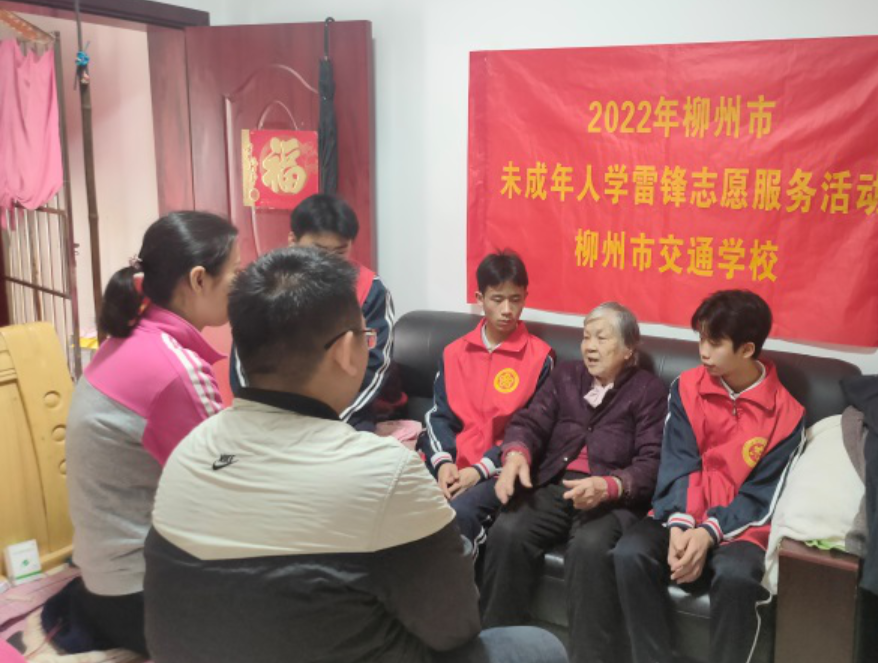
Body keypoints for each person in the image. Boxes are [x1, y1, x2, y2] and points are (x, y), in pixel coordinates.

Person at [144, 247, 566, 663]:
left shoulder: (190, 452)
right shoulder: (385, 471)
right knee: (540, 647)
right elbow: (455, 626)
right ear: (347, 351)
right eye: (368, 338)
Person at [63, 211, 239, 655]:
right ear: (199, 279)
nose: (241, 284)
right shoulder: (175, 370)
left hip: (103, 583)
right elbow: (229, 489)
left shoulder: (127, 338)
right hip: (141, 599)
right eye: (235, 272)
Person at [613, 290, 806, 663]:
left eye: (715, 344)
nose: (703, 351)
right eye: (701, 338)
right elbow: (678, 463)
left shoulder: (787, 414)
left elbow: (763, 496)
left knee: (737, 577)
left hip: (742, 527)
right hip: (683, 510)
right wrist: (682, 524)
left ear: (747, 349)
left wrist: (709, 532)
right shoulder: (686, 388)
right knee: (630, 553)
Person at [481, 302, 665, 663]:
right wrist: (516, 454)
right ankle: (496, 650)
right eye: (586, 337)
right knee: (508, 530)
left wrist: (608, 486)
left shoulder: (648, 391)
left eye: (602, 338)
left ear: (629, 349)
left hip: (611, 497)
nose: (589, 346)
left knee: (589, 549)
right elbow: (530, 422)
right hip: (555, 483)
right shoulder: (566, 376)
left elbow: (652, 461)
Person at [416, 251, 554, 547]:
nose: (507, 310)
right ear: (480, 298)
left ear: (525, 298)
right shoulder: (454, 352)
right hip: (451, 464)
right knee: (405, 504)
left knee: (458, 515)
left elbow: (533, 431)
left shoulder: (541, 358)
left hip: (498, 470)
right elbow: (439, 416)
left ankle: (458, 578)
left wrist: (479, 471)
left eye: (515, 299)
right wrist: (443, 464)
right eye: (497, 299)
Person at [230, 193, 396, 430]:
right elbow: (245, 358)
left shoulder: (370, 289)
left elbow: (376, 366)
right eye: (319, 251)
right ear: (292, 240)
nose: (328, 262)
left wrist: (324, 424)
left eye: (340, 252)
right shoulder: (268, 285)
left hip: (345, 417)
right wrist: (261, 417)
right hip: (267, 420)